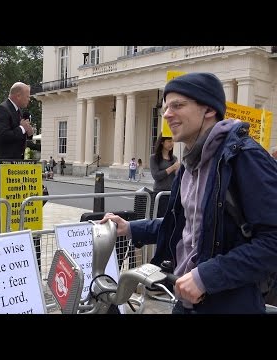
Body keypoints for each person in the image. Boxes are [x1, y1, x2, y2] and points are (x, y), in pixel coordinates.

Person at [100, 72, 277, 314]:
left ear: (208, 110)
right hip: (186, 303)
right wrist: (130, 228)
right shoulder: (189, 164)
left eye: (178, 105)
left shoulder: (244, 157)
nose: (166, 114)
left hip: (230, 304)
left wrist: (206, 276)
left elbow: (272, 241)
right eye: (165, 107)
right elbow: (185, 226)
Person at [0, 81, 33, 234]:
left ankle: (11, 229)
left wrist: (27, 131)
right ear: (18, 95)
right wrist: (21, 128)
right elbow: (3, 136)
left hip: (15, 165)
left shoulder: (19, 112)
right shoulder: (2, 109)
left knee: (12, 202)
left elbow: (20, 134)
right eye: (27, 96)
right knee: (0, 202)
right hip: (3, 165)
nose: (29, 99)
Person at [149, 133, 180, 217]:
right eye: (169, 141)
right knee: (160, 219)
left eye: (173, 141)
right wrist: (172, 168)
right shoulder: (154, 158)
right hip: (160, 194)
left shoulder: (174, 158)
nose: (172, 144)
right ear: (162, 142)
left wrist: (178, 171)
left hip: (172, 193)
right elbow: (156, 176)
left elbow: (177, 177)